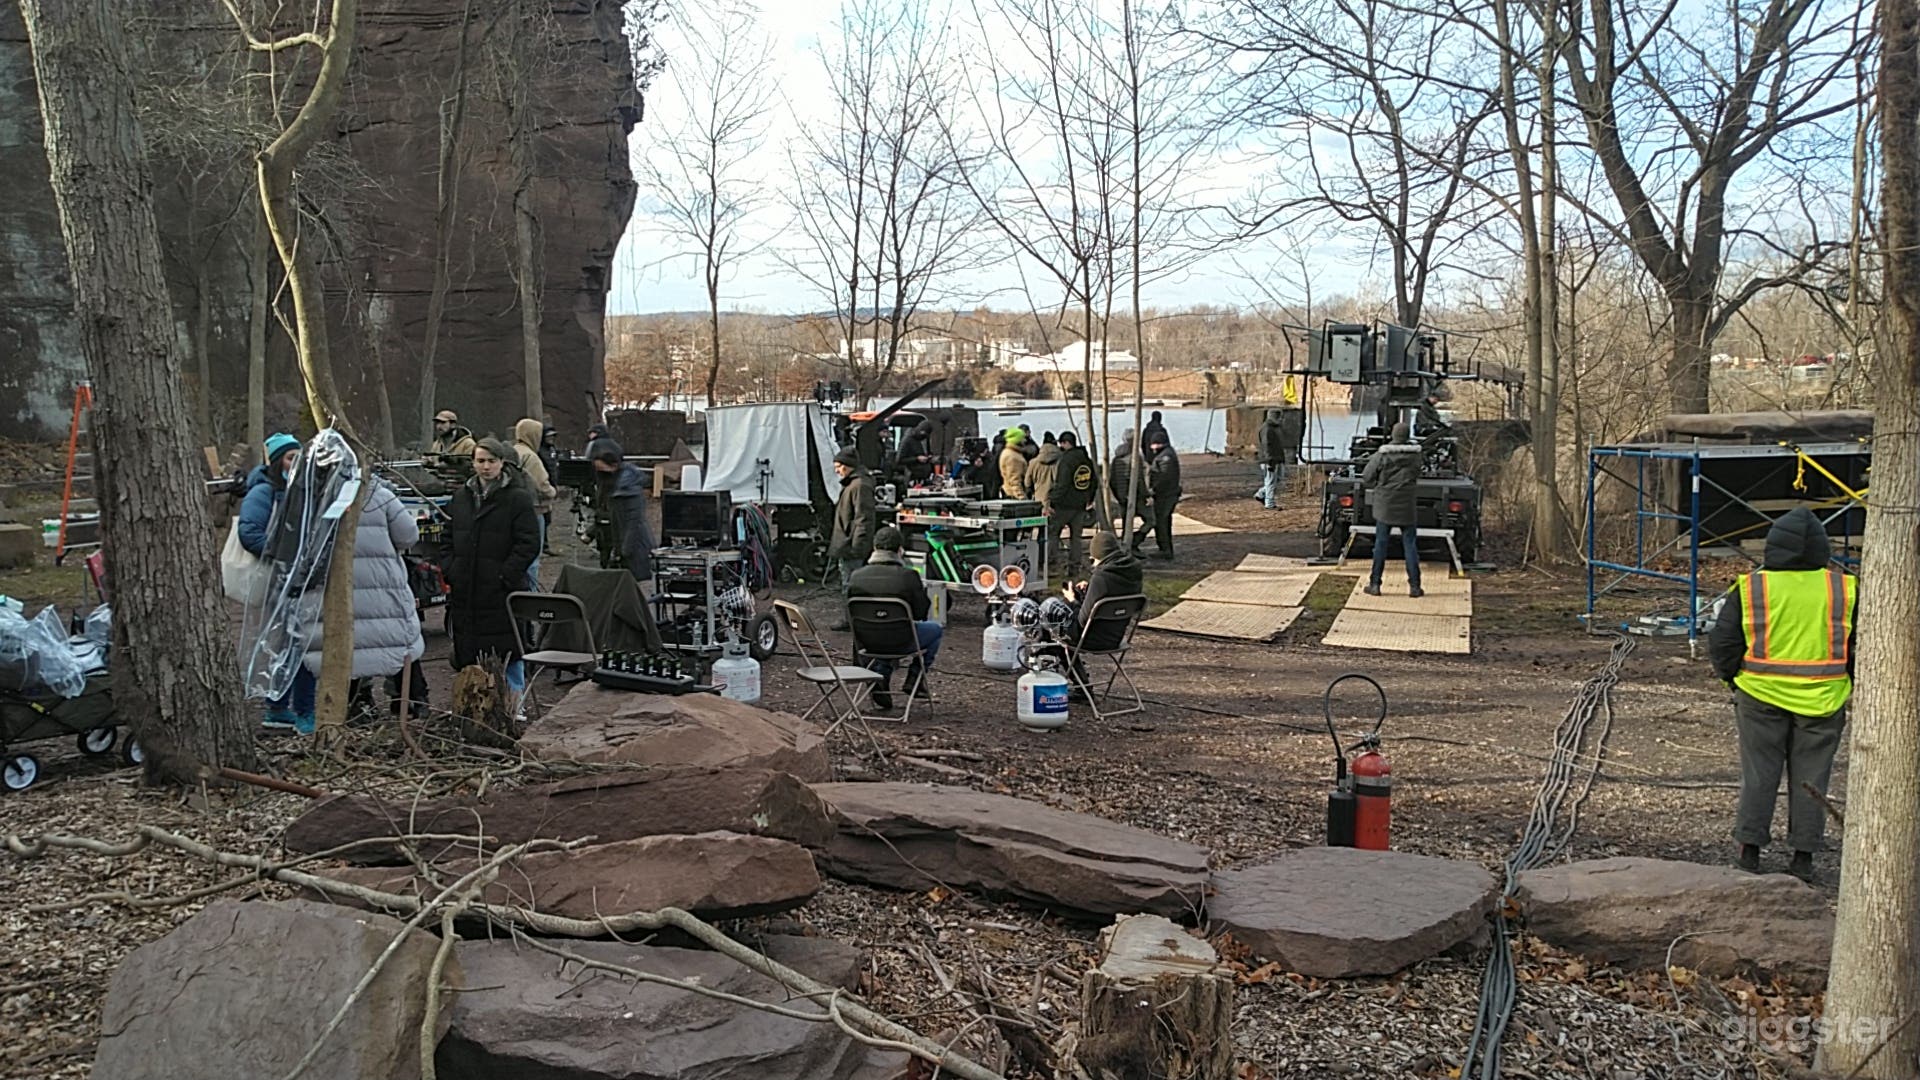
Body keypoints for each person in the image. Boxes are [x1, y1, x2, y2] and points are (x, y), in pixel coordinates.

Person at [1708, 507, 1856, 883]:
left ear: (1772, 546)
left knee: (1759, 774)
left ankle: (1749, 851)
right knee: (1812, 776)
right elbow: (1860, 646)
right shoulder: (1845, 588)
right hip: (1824, 699)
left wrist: (1733, 680)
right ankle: (1804, 858)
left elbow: (1723, 642)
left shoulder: (1752, 587)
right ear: (1822, 548)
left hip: (1759, 694)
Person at [302, 477, 428, 720]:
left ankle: (357, 702)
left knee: (350, 645)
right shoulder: (377, 495)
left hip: (334, 587)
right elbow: (408, 535)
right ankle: (411, 699)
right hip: (381, 585)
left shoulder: (312, 496)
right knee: (398, 640)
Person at [446, 438, 541, 701]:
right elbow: (446, 536)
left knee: (509, 651)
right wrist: (452, 569)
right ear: (473, 463)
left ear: (502, 463)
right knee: (469, 654)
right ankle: (474, 706)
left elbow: (529, 542)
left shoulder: (517, 498)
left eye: (491, 461)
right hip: (466, 591)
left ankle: (514, 703)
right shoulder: (461, 497)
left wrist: (506, 574)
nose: (486, 467)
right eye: (480, 461)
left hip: (502, 592)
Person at [238, 432, 313, 732]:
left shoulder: (302, 490)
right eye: (290, 457)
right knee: (297, 642)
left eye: (299, 456)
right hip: (279, 580)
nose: (296, 463)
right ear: (277, 461)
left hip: (298, 578)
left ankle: (279, 706)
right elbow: (250, 533)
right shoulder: (263, 492)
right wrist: (285, 553)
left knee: (292, 642)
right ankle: (301, 709)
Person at [847, 526, 941, 711]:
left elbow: (850, 614)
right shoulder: (909, 576)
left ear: (874, 548)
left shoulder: (856, 576)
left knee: (883, 626)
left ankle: (881, 675)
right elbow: (921, 613)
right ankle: (915, 679)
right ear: (900, 550)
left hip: (867, 642)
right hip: (901, 640)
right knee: (935, 630)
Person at [1052, 530, 1142, 691]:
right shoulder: (1133, 571)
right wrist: (1091, 589)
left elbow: (1082, 620)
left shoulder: (1101, 577)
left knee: (1053, 630)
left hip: (1092, 639)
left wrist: (1072, 599)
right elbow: (1113, 595)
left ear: (1099, 556)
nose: (1093, 564)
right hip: (1116, 636)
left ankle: (1081, 688)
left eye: (1093, 560)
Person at [1360, 421, 1423, 598]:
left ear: (1393, 435)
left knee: (1381, 543)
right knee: (1410, 545)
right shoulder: (1416, 456)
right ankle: (1415, 586)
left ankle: (1375, 584)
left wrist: (1379, 485)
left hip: (1385, 504)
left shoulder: (1382, 455)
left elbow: (1367, 476)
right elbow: (1419, 472)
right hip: (1407, 504)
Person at [589, 439, 656, 580]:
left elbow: (634, 521)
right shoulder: (611, 484)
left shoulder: (629, 489)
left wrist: (624, 550)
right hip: (620, 541)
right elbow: (606, 513)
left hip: (633, 545)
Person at [828, 447, 875, 630]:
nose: (837, 470)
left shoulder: (859, 485)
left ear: (848, 466)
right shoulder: (856, 484)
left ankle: (853, 620)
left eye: (839, 466)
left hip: (851, 546)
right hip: (849, 543)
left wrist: (856, 546)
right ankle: (853, 619)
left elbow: (863, 519)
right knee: (849, 584)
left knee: (851, 585)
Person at [513, 418, 559, 585]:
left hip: (516, 508)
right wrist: (552, 492)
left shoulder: (513, 451)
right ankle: (531, 592)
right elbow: (541, 483)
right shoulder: (530, 457)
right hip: (535, 508)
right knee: (533, 556)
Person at [1048, 431, 1098, 579]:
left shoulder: (1066, 460)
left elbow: (1062, 484)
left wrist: (1052, 501)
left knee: (1053, 535)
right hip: (1080, 505)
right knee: (1076, 538)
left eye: (1061, 444)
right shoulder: (1085, 459)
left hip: (1063, 505)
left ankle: (1052, 567)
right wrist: (1089, 498)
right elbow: (1094, 481)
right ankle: (1074, 568)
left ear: (1065, 443)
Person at [1108, 428, 1149, 550]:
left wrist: (1118, 495)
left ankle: (1126, 545)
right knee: (1151, 520)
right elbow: (1139, 480)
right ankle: (1135, 541)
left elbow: (1112, 481)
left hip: (1121, 497)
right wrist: (1146, 495)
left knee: (1126, 524)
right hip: (1135, 497)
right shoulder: (1136, 457)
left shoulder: (1116, 459)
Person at [1145, 431, 1182, 560]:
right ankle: (1165, 548)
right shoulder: (1166, 454)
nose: (1151, 448)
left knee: (1162, 521)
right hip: (1167, 494)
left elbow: (1164, 478)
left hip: (1166, 495)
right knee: (1163, 521)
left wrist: (1153, 490)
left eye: (1154, 445)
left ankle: (1165, 549)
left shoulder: (1165, 458)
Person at [1256, 409, 1286, 509]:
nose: (1281, 419)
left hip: (1278, 458)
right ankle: (1270, 503)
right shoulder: (1267, 429)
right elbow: (1266, 446)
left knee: (1278, 479)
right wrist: (1269, 460)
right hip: (1269, 459)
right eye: (1279, 417)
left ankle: (1261, 494)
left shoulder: (1276, 428)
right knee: (1270, 481)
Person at [897, 420, 935, 486]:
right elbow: (899, 460)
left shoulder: (922, 440)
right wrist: (916, 459)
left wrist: (929, 457)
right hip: (912, 477)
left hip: (924, 476)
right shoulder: (907, 440)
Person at [998, 428, 1031, 499]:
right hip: (1013, 495)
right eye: (1022, 438)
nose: (1025, 440)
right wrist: (1021, 497)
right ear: (1017, 440)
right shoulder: (1013, 457)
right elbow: (1014, 480)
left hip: (1008, 491)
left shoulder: (1009, 452)